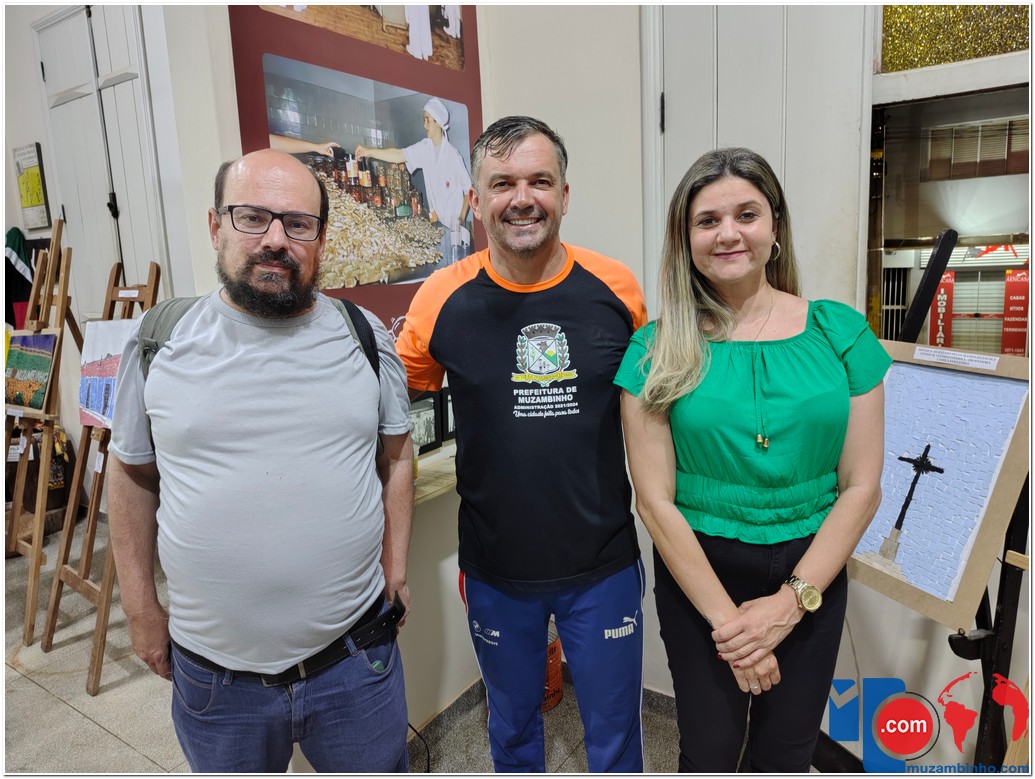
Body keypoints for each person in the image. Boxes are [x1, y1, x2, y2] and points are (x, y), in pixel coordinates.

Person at [107, 148, 414, 773]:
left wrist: (398, 569)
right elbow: (132, 472)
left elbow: (397, 455)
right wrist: (140, 606)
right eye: (252, 217)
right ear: (215, 225)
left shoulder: (365, 337)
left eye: (297, 223)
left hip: (355, 662)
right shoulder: (160, 341)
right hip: (217, 682)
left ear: (321, 238)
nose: (276, 239)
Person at [615, 147, 891, 772]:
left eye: (746, 214)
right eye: (707, 220)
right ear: (684, 239)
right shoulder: (655, 350)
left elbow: (862, 486)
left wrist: (789, 605)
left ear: (774, 226)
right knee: (709, 752)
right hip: (700, 575)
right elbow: (653, 501)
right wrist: (737, 632)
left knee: (786, 753)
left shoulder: (840, 334)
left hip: (812, 573)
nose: (728, 234)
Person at [395, 115, 648, 773]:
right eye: (502, 183)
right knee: (510, 728)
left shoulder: (617, 290)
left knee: (616, 734)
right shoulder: (439, 299)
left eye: (540, 180)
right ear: (475, 200)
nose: (522, 197)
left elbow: (651, 417)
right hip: (495, 566)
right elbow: (395, 417)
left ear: (564, 193)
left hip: (603, 563)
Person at [356, 97, 471, 263]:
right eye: (424, 120)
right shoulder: (425, 148)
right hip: (438, 225)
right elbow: (399, 155)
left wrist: (460, 219)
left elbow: (469, 191)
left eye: (427, 120)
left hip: (455, 232)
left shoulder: (452, 156)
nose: (424, 125)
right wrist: (369, 152)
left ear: (438, 122)